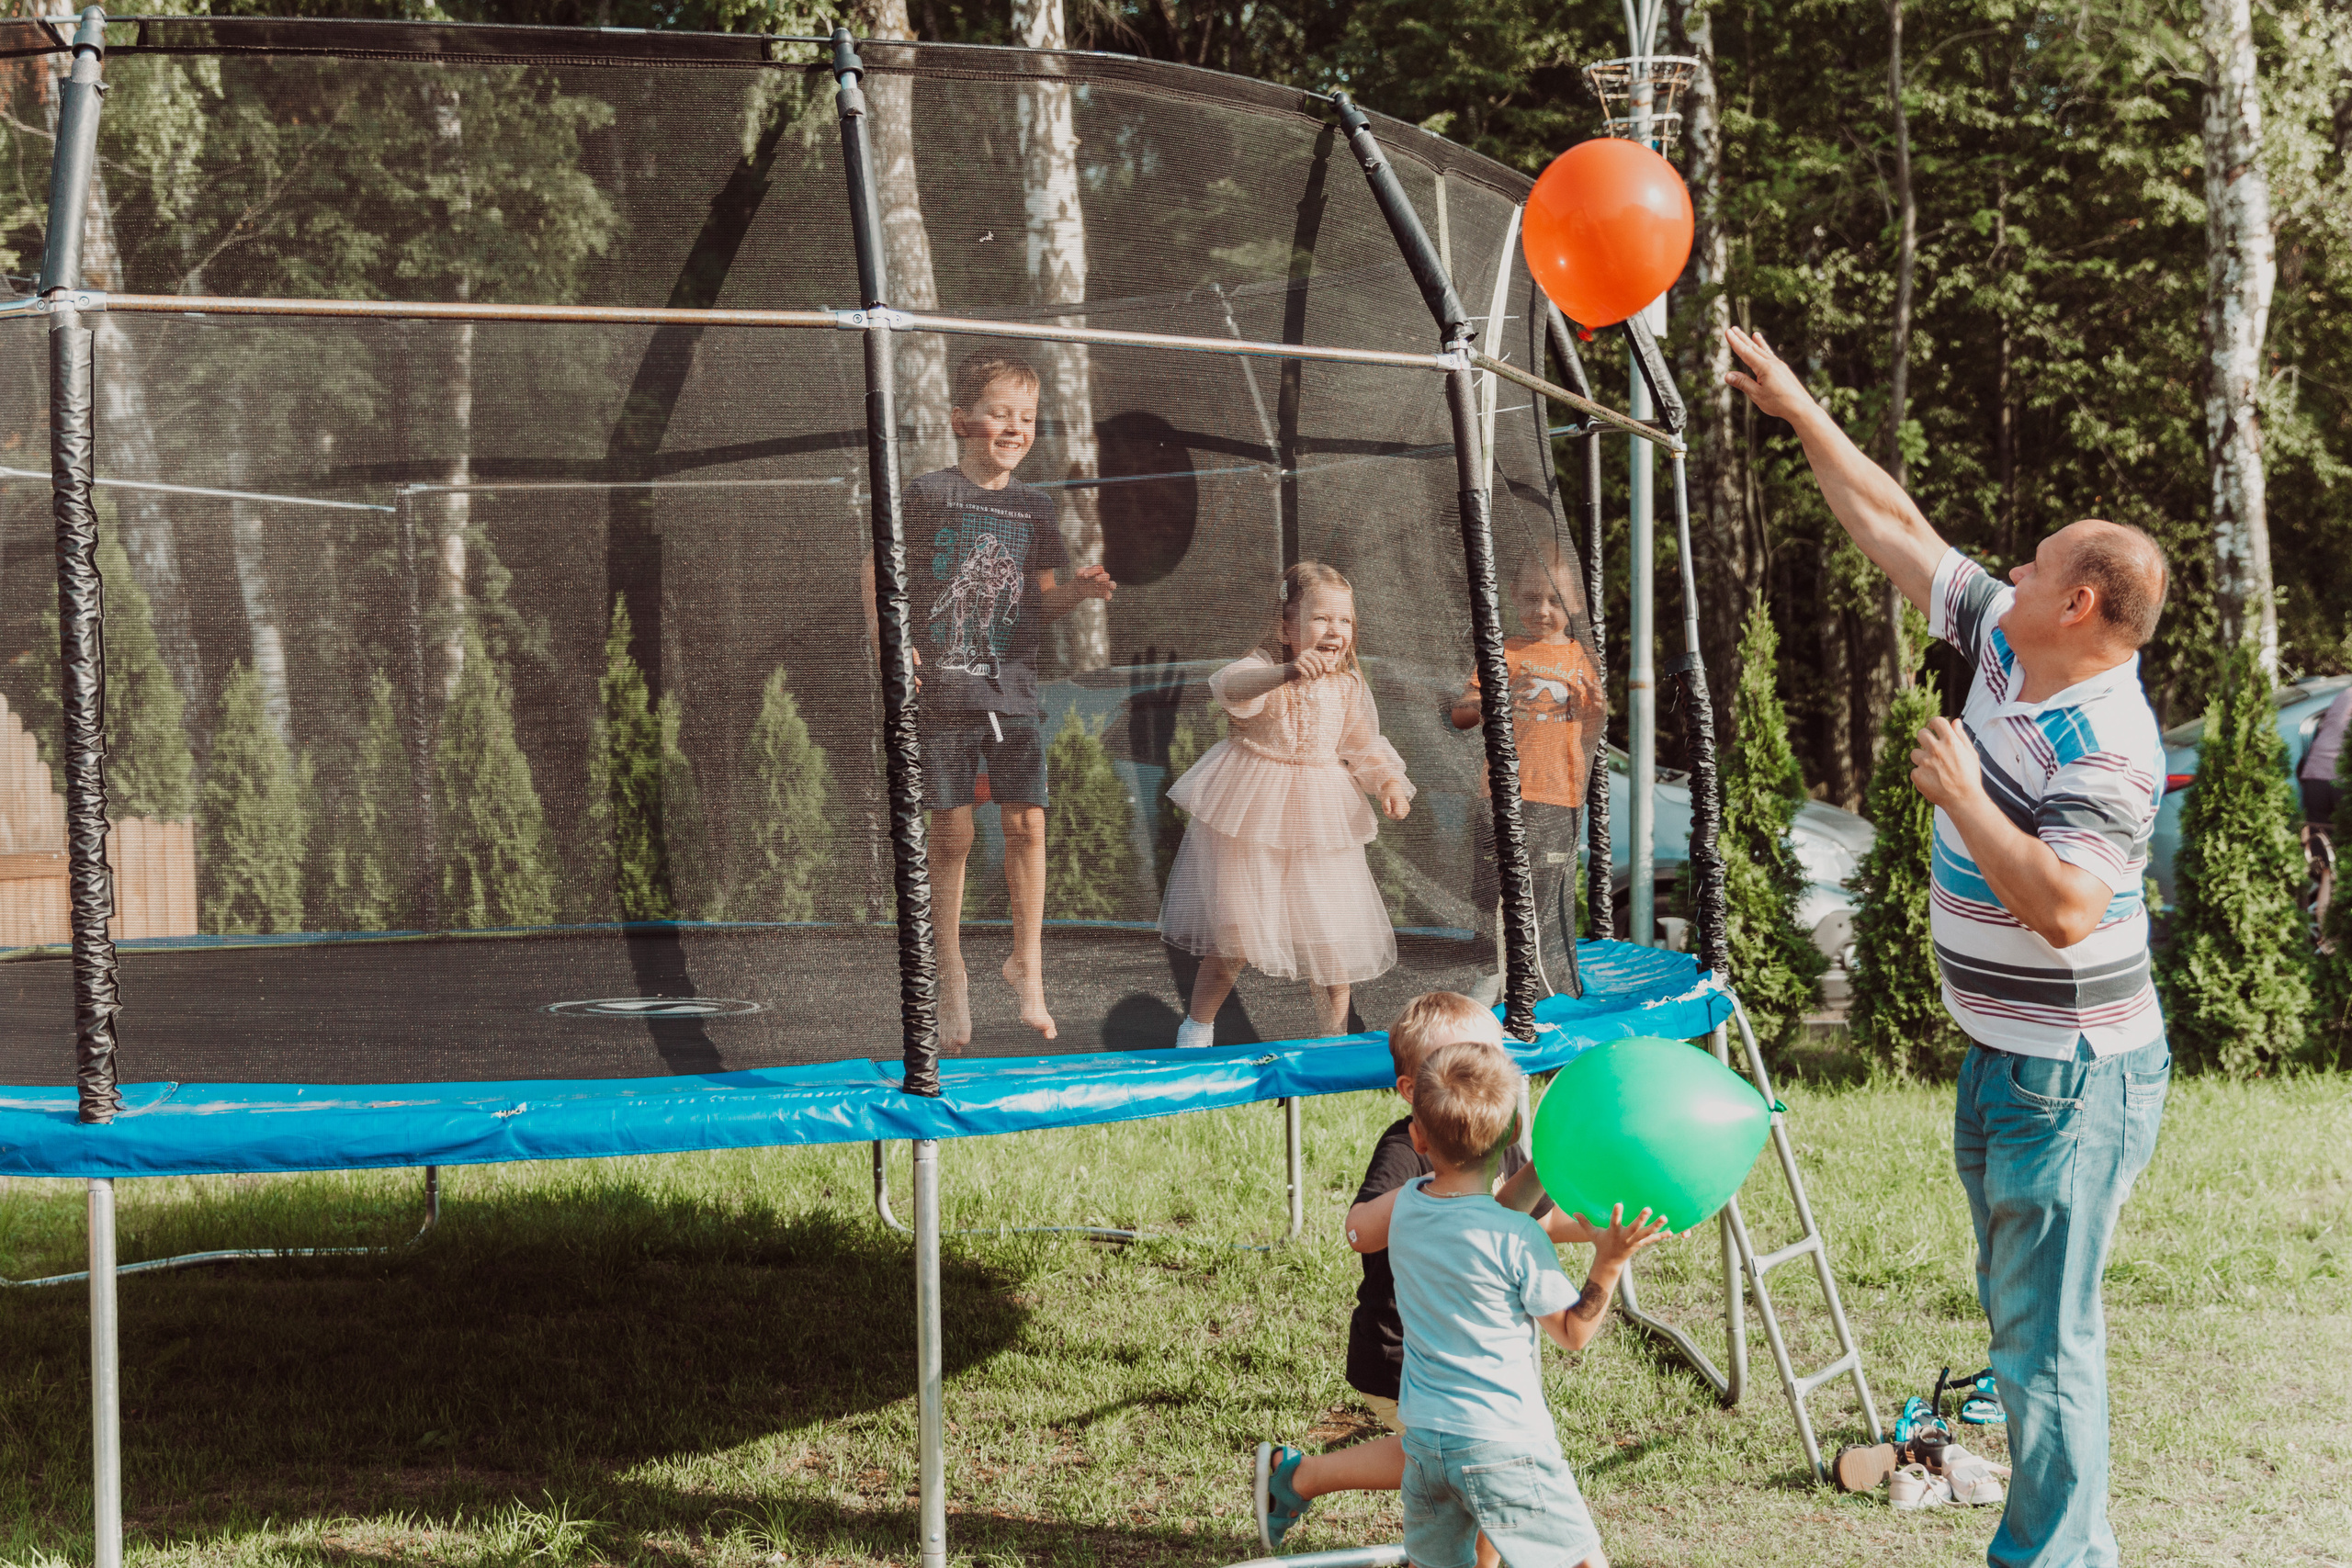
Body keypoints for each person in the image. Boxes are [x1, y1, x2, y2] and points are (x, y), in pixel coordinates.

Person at [1726, 324, 2171, 1568]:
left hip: (2071, 1078)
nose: (2005, 570)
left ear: (2078, 601)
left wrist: (1966, 796)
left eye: (2031, 566)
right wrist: (1803, 408)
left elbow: (2070, 909)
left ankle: (2057, 1557)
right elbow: (1900, 528)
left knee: (2045, 1342)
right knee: (2028, 1324)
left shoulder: (2110, 745)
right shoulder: (2004, 644)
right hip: (2009, 1056)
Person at [1250, 991, 1608, 1560]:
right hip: (1404, 1349)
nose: (1483, 1077)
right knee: (1487, 1461)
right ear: (1414, 1094)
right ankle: (1300, 1479)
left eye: (1491, 1060)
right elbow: (1360, 1232)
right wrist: (1430, 1203)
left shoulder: (1492, 1141)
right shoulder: (1408, 1150)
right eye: (1463, 1065)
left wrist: (1603, 1229)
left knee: (1451, 1457)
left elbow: (1522, 1216)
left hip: (1453, 1350)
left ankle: (1296, 1478)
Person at [1368, 1040, 1663, 1568]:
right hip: (1502, 1444)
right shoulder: (1517, 1238)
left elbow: (1483, 1209)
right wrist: (1610, 1260)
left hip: (1426, 1444)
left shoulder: (1407, 1209)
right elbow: (1572, 1334)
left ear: (1417, 1137)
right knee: (1581, 1561)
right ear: (1511, 1138)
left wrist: (1544, 1170)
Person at [895, 352, 1116, 1047]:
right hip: (944, 687)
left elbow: (1041, 600)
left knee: (1028, 826)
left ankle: (1027, 962)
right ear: (962, 420)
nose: (1014, 428)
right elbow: (881, 573)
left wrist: (1078, 592)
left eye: (1026, 417)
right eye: (999, 414)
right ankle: (951, 970)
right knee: (952, 833)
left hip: (1012, 686)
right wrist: (894, 644)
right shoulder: (928, 493)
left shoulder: (1035, 506)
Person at [1158, 561, 1412, 1046]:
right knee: (1234, 936)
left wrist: (1388, 783)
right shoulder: (1261, 670)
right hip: (1254, 810)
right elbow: (1230, 689)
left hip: (1321, 814)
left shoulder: (1347, 686)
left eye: (1346, 621)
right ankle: (1197, 1030)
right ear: (1286, 628)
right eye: (1321, 619)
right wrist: (1286, 671)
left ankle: (1333, 1039)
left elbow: (1362, 744)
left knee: (1331, 937)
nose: (1335, 630)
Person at [1450, 547, 1607, 993]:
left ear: (1575, 601)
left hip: (1557, 800)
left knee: (1543, 897)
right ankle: (1486, 985)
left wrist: (1593, 715)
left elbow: (1597, 724)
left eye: (1555, 600)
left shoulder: (1582, 661)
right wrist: (1478, 705)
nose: (1542, 610)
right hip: (1498, 796)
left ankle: (1539, 989)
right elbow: (1461, 713)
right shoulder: (1503, 652)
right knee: (1489, 895)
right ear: (1514, 595)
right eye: (1532, 597)